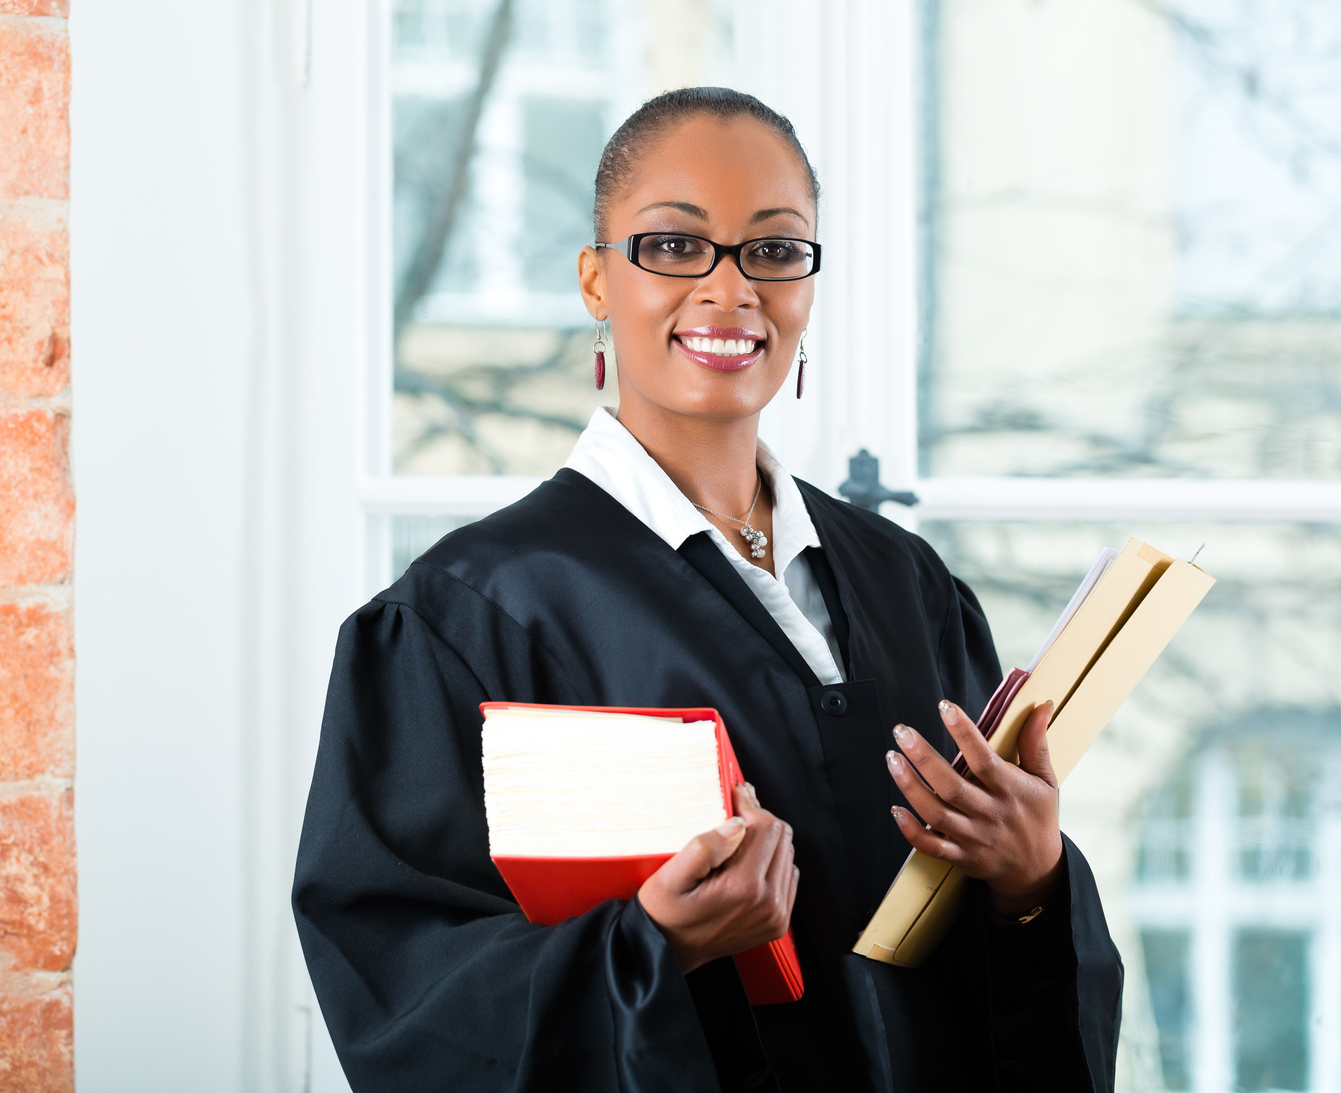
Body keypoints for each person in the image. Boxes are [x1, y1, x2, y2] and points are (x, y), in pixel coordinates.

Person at [293, 87, 1122, 1092]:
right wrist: (651, 946)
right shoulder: (470, 615)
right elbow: (405, 996)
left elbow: (986, 980)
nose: (730, 291)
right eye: (674, 247)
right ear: (597, 277)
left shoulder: (905, 584)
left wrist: (1031, 881)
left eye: (772, 251)